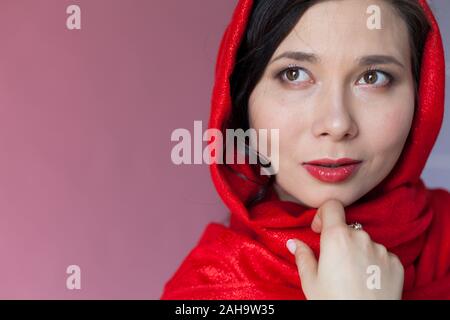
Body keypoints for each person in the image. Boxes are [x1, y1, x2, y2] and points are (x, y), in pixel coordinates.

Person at [161, 0, 450, 299]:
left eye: (372, 77)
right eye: (294, 74)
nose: (337, 124)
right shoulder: (206, 292)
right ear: (241, 97)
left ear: (422, 96)